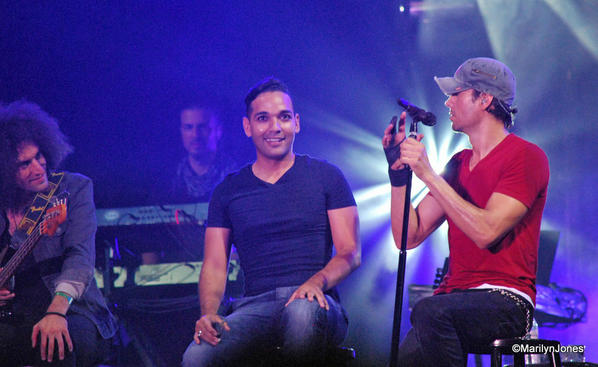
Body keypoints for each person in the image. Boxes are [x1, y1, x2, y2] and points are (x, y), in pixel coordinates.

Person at [182, 77, 361, 366]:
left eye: (284, 117)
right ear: (247, 127)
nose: (275, 127)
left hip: (317, 305)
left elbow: (350, 252)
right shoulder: (228, 190)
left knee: (301, 315)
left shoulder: (327, 176)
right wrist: (209, 313)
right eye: (263, 118)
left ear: (297, 123)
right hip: (254, 307)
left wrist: (314, 283)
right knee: (197, 355)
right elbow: (215, 264)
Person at [382, 57, 549, 366]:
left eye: (456, 93)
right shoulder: (458, 164)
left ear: (484, 99)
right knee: (405, 355)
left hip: (507, 301)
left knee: (429, 311)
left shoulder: (526, 157)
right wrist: (399, 175)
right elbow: (408, 236)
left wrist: (429, 174)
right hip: (452, 298)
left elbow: (486, 232)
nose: (447, 101)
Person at [0, 101, 118, 366]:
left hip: (72, 310)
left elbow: (80, 257)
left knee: (56, 344)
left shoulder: (72, 189)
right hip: (13, 316)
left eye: (39, 156)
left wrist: (56, 310)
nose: (38, 168)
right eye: (24, 164)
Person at [171, 105, 239, 203]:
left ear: (218, 131)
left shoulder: (236, 176)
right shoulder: (170, 178)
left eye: (202, 127)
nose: (195, 135)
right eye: (188, 127)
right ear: (181, 131)